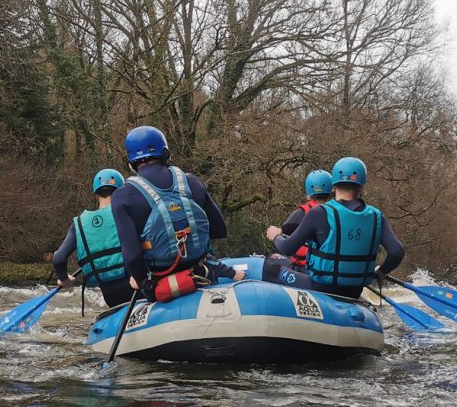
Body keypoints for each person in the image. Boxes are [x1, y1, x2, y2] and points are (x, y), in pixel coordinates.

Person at [111, 125, 244, 301]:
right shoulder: (191, 181)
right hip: (203, 275)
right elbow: (219, 229)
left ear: (131, 162)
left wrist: (142, 282)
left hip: (163, 288)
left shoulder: (122, 196)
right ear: (165, 153)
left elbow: (132, 256)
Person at [264, 157, 404, 299]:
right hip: (355, 291)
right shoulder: (376, 216)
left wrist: (276, 236)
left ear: (334, 185)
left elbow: (287, 248)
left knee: (269, 268)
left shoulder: (319, 213)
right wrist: (380, 272)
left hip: (321, 288)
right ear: (362, 186)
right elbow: (397, 252)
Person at [52, 168, 134, 307]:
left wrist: (63, 279)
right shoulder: (126, 213)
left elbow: (58, 258)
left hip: (110, 295)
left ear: (96, 194)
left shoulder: (79, 224)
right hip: (136, 286)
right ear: (121, 190)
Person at [280, 169, 333, 270]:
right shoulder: (337, 212)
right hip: (328, 267)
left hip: (305, 267)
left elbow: (285, 230)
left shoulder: (302, 213)